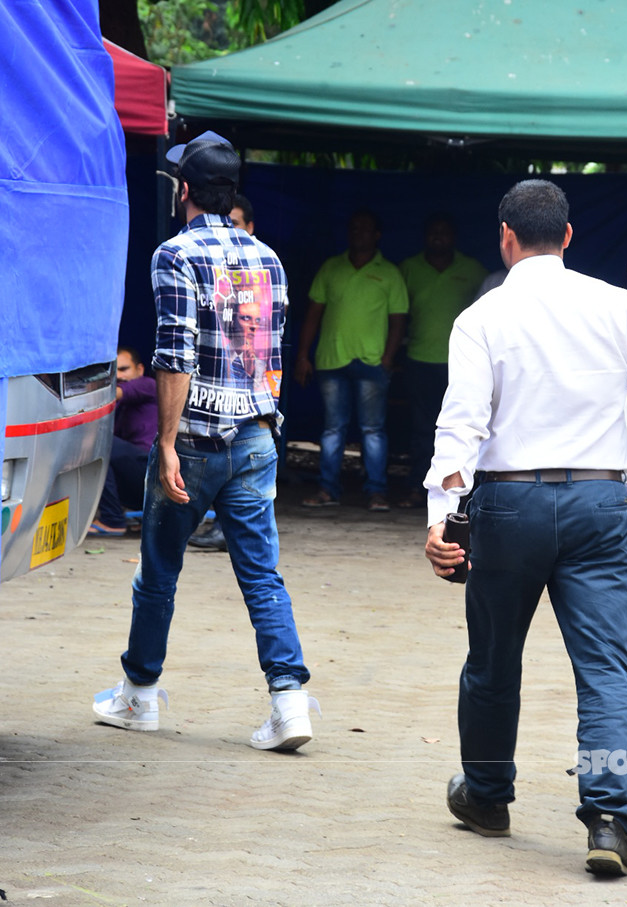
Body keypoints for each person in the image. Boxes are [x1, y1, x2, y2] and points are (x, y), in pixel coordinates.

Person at [423, 179, 627, 876]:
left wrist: (440, 518)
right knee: (606, 668)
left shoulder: (480, 318)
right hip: (599, 504)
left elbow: (461, 424)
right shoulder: (620, 309)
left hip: (508, 505)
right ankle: (609, 820)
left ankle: (487, 795)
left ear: (505, 238)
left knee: (492, 662)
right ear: (570, 237)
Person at [93, 132, 318, 752]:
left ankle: (138, 697)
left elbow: (173, 353)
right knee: (262, 576)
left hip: (193, 439)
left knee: (159, 573)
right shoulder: (268, 258)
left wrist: (166, 444)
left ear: (184, 190)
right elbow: (265, 351)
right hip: (256, 436)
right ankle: (290, 703)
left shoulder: (176, 254)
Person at [294, 209, 408, 512]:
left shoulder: (390, 273)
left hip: (373, 363)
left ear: (377, 235)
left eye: (365, 228)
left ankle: (377, 492)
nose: (358, 233)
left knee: (372, 431)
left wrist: (387, 358)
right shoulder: (331, 268)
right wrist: (303, 355)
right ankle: (328, 489)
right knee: (333, 430)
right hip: (331, 360)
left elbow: (399, 320)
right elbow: (313, 315)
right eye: (353, 228)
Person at [397, 214, 487, 508]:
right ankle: (415, 489)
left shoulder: (473, 270)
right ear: (425, 237)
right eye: (433, 232)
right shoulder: (409, 268)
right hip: (419, 360)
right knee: (422, 429)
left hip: (462, 366)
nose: (438, 237)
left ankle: (463, 496)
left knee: (463, 428)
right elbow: (397, 315)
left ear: (454, 238)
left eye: (444, 233)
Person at [189, 193, 257, 552]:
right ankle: (221, 528)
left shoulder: (261, 269)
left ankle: (225, 530)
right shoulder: (211, 266)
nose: (228, 233)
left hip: (244, 403)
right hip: (217, 400)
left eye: (235, 225)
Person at [89, 346, 158, 536]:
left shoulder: (148, 385)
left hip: (155, 475)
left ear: (140, 369)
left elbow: (112, 393)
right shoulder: (118, 409)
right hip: (138, 488)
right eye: (113, 371)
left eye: (124, 369)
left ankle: (112, 520)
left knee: (99, 441)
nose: (118, 375)